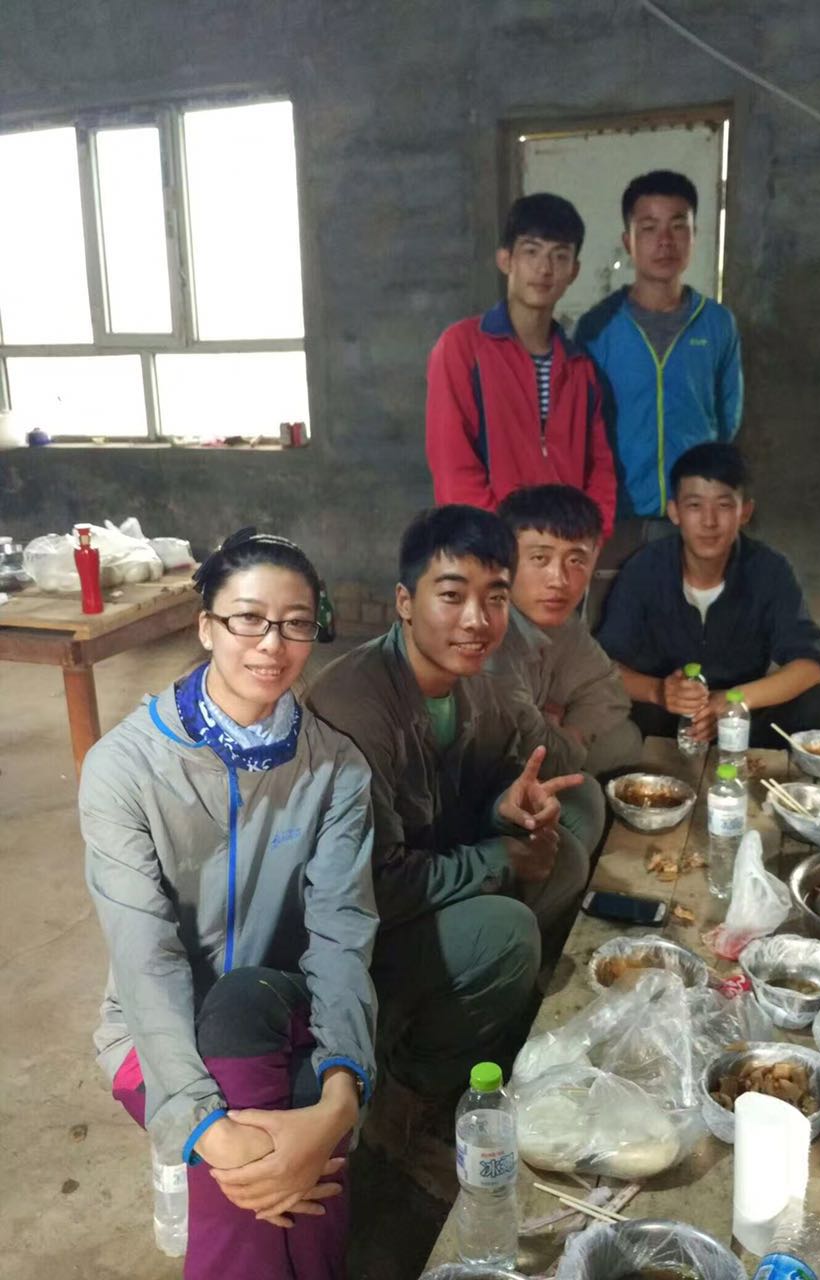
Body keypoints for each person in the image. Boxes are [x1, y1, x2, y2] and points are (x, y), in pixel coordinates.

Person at [80, 529, 378, 1280]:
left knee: (309, 1133)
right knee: (255, 1172)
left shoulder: (336, 767)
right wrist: (202, 1122)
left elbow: (341, 936)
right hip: (152, 1035)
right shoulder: (124, 769)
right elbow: (145, 958)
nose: (272, 643)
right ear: (206, 625)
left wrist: (341, 1097)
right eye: (248, 618)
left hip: (282, 1011)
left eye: (296, 622)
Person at [308, 506, 603, 1185]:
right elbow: (373, 885)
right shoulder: (355, 708)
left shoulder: (475, 682)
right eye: (451, 595)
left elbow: (494, 776)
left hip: (429, 872)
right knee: (507, 931)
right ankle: (406, 1102)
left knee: (577, 810)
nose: (476, 620)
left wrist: (511, 805)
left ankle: (487, 1004)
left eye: (494, 598)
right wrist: (500, 857)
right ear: (405, 602)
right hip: (355, 934)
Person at [595, 444, 820, 747]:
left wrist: (734, 701)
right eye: (695, 505)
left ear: (744, 511)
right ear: (675, 512)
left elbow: (809, 665)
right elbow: (604, 665)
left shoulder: (769, 569)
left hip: (744, 715)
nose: (709, 521)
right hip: (666, 714)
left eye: (723, 505)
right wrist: (659, 692)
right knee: (607, 711)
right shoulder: (645, 569)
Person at [575, 170, 744, 606]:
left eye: (677, 226)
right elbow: (582, 426)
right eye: (649, 228)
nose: (664, 241)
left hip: (695, 514)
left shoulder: (717, 324)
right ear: (629, 241)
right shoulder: (598, 328)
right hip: (619, 514)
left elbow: (727, 418)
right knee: (614, 626)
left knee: (695, 625)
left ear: (694, 235)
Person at [425, 193, 616, 538]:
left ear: (574, 271)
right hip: (488, 550)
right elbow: (454, 466)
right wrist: (502, 544)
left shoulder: (580, 368)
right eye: (531, 251)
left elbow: (600, 468)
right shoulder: (462, 348)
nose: (545, 269)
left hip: (563, 552)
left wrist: (589, 540)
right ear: (505, 260)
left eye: (560, 256)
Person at [491, 483, 644, 778]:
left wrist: (573, 731)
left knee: (623, 740)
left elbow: (609, 689)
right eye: (540, 558)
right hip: (474, 781)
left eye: (576, 560)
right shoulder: (486, 631)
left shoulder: (561, 622)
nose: (559, 579)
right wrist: (550, 724)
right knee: (585, 795)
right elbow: (516, 752)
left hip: (543, 748)